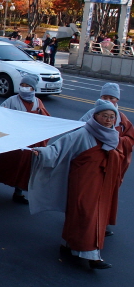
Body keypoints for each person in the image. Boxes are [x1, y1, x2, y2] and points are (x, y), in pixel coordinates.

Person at [30, 103, 121, 270]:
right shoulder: (83, 133)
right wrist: (41, 152)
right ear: (95, 116)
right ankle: (92, 256)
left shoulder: (113, 135)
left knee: (90, 215)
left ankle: (68, 243)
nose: (108, 120)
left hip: (102, 183)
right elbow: (58, 148)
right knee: (86, 214)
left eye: (112, 117)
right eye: (104, 116)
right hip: (83, 183)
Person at [79, 83, 134, 235]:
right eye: (104, 97)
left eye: (112, 98)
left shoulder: (122, 119)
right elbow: (78, 130)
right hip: (93, 164)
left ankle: (102, 221)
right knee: (89, 194)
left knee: (107, 194)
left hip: (112, 164)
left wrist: (115, 142)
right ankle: (85, 221)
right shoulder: (92, 114)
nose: (108, 100)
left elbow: (130, 139)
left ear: (117, 100)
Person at [0, 75, 50, 204]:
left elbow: (45, 119)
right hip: (14, 140)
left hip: (30, 141)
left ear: (33, 88)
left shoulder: (38, 103)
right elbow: (0, 115)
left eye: (28, 86)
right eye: (23, 86)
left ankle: (18, 193)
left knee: (26, 169)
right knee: (6, 162)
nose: (25, 88)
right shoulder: (11, 101)